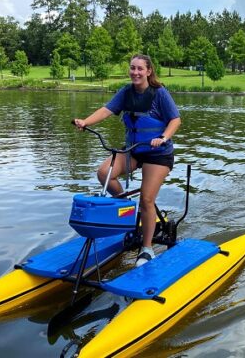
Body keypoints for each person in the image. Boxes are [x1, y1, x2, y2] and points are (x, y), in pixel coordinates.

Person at [73, 54, 181, 267]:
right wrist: (85, 121)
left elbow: (175, 120)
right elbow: (106, 110)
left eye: (140, 68)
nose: (135, 72)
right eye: (132, 68)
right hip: (133, 150)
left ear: (149, 71)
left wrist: (163, 138)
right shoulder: (125, 92)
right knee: (104, 173)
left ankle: (147, 249)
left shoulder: (159, 94)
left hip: (158, 154)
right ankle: (125, 207)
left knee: (147, 200)